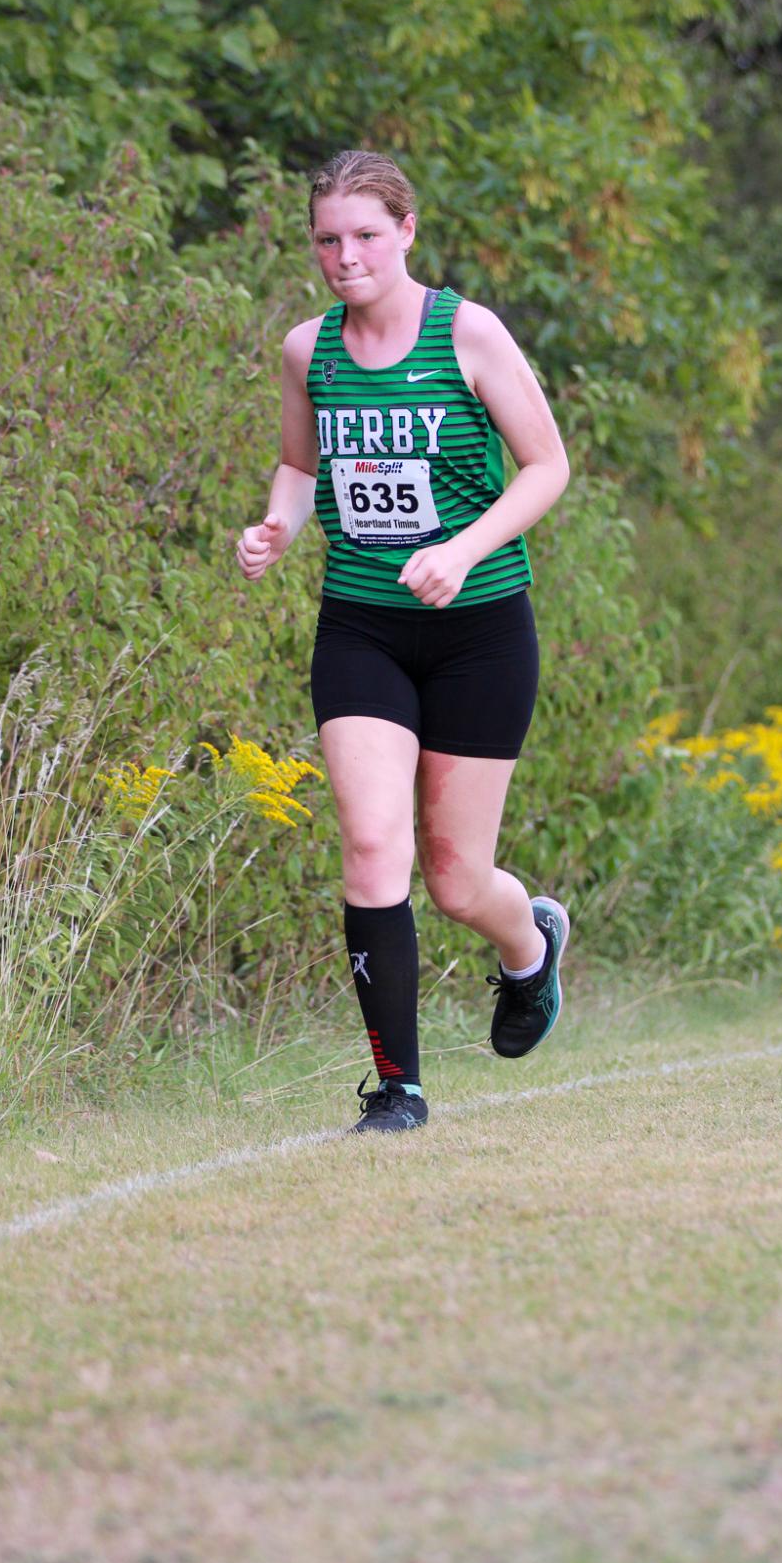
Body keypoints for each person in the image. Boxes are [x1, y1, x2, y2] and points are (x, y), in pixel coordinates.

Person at [236, 149, 571, 1133]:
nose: (345, 258)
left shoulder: (466, 334)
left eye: (365, 237)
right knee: (373, 846)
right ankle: (397, 1089)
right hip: (361, 628)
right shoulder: (309, 350)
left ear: (406, 232)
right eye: (327, 240)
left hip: (478, 632)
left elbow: (545, 467)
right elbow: (300, 468)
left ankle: (532, 947)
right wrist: (276, 527)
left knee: (458, 878)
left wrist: (462, 550)